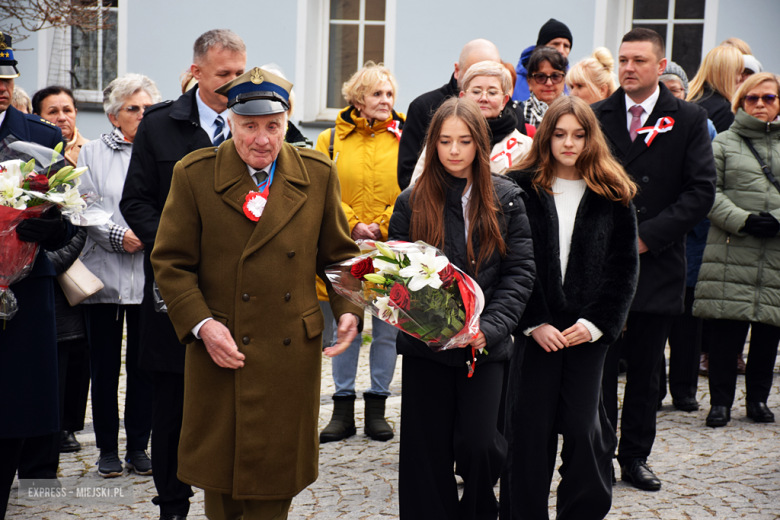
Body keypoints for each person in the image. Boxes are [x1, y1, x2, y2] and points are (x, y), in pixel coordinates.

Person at [150, 67, 362, 520]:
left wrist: (349, 309)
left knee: (273, 489)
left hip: (289, 356)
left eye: (273, 125)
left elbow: (340, 256)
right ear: (230, 122)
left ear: (287, 122)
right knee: (221, 488)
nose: (262, 139)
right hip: (221, 350)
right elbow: (171, 263)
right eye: (249, 126)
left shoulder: (318, 174)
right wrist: (203, 325)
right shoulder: (195, 174)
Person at [119, 29, 246, 520]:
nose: (234, 82)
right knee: (171, 403)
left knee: (232, 399)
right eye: (223, 74)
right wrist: (180, 246)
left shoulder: (255, 119)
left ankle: (229, 496)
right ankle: (172, 503)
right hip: (176, 288)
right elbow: (136, 202)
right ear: (196, 72)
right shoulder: (159, 124)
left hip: (239, 290)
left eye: (240, 72)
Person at [388, 97, 535, 519]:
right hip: (427, 348)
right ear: (432, 143)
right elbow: (396, 278)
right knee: (425, 454)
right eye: (445, 141)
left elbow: (520, 272)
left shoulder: (507, 198)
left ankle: (479, 510)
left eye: (465, 141)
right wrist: (431, 326)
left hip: (483, 347)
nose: (454, 151)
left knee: (480, 444)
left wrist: (489, 328)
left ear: (480, 144)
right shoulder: (412, 201)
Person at [501, 96, 639, 520]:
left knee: (584, 429)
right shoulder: (518, 188)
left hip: (586, 332)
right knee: (529, 432)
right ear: (546, 137)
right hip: (537, 330)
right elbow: (509, 262)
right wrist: (531, 323)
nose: (569, 143)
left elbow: (624, 268)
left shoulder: (613, 192)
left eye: (578, 135)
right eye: (560, 134)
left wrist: (596, 324)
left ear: (590, 139)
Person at [592, 28, 715, 491]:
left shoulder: (688, 118)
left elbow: (700, 191)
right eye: (623, 59)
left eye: (639, 60)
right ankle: (598, 454)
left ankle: (635, 457)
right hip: (602, 262)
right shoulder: (597, 115)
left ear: (660, 66)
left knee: (645, 371)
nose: (628, 68)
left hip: (657, 261)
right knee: (600, 369)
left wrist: (646, 239)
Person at [314, 62, 403, 443]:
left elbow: (413, 186)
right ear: (358, 98)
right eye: (377, 93)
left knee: (386, 330)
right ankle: (342, 408)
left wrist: (382, 224)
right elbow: (322, 188)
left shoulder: (405, 136)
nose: (385, 100)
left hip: (390, 247)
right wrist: (352, 222)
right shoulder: (330, 139)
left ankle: (378, 408)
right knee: (344, 326)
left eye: (389, 94)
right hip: (345, 245)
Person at [77, 73, 161, 479]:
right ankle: (107, 450)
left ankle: (138, 447)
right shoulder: (92, 152)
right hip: (105, 276)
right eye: (133, 108)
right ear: (114, 115)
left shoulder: (160, 151)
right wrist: (117, 235)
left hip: (148, 275)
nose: (142, 115)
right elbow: (83, 206)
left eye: (147, 108)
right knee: (105, 368)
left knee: (145, 366)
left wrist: (150, 233)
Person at [0, 31, 68, 518]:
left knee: (15, 407)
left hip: (23, 288)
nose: (2, 88)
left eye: (7, 78)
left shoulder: (40, 135)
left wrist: (52, 225)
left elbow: (68, 214)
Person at [693, 72, 780, 427]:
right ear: (740, 102)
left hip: (775, 251)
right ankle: (720, 403)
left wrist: (776, 220)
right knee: (727, 332)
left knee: (769, 331)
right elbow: (708, 192)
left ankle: (758, 400)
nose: (760, 104)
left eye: (768, 97)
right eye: (752, 98)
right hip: (732, 247)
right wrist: (743, 220)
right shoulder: (724, 142)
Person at [655, 62, 715, 412]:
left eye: (675, 89)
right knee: (655, 322)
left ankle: (685, 388)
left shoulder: (698, 124)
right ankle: (656, 387)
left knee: (688, 323)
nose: (669, 95)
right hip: (655, 235)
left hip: (690, 237)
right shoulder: (650, 125)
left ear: (686, 92)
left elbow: (704, 184)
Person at [397, 39, 501, 190]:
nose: (483, 96)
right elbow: (408, 175)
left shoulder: (513, 116)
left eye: (491, 73)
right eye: (445, 141)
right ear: (457, 71)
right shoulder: (425, 108)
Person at [410, 60, 532, 183]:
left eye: (492, 92)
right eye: (476, 92)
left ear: (504, 101)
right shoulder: (443, 137)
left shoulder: (525, 146)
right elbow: (417, 188)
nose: (484, 98)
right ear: (462, 97)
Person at [512, 18, 573, 102]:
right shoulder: (514, 81)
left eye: (566, 46)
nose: (561, 50)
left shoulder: (574, 82)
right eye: (555, 44)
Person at [687, 45, 743, 133]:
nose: (739, 78)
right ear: (728, 74)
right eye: (738, 72)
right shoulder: (724, 110)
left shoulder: (688, 95)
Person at [32, 86, 89, 166]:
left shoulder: (91, 150)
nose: (62, 118)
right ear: (37, 118)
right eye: (53, 112)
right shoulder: (28, 150)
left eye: (67, 110)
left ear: (75, 113)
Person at [523, 46, 567, 128]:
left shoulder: (576, 112)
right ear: (529, 82)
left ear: (564, 80)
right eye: (541, 77)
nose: (549, 83)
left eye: (555, 76)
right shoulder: (516, 113)